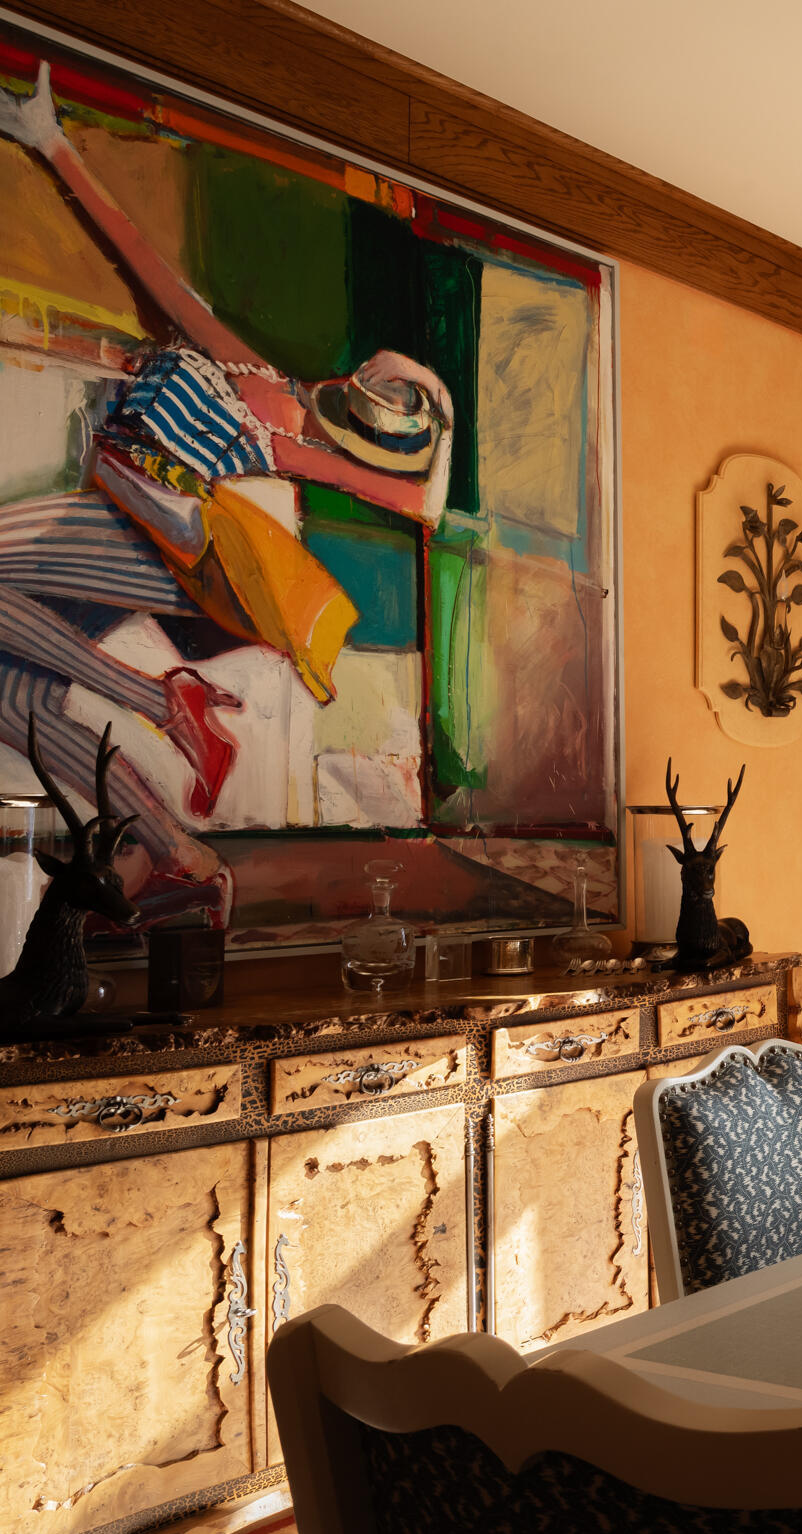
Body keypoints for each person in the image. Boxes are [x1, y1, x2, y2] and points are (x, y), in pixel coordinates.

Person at [0, 60, 458, 918]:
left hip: (164, 552)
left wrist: (444, 423)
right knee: (10, 691)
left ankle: (162, 701)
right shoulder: (261, 379)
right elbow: (152, 270)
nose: (379, 392)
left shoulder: (290, 437)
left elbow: (421, 507)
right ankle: (181, 852)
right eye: (388, 388)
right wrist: (52, 142)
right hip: (136, 528)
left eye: (391, 406)